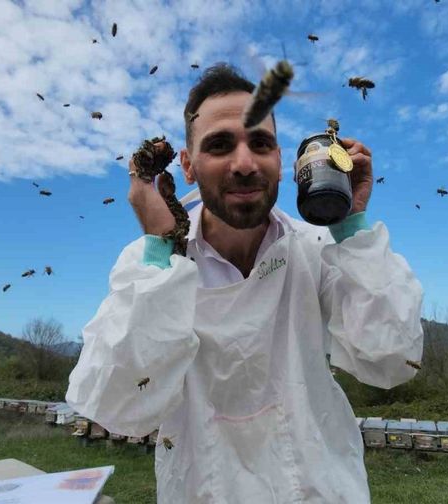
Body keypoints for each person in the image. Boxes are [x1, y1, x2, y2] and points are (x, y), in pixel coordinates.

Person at [66, 63, 423, 503]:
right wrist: (160, 248)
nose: (244, 164)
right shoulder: (153, 263)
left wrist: (351, 226)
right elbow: (117, 405)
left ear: (281, 159)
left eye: (260, 143)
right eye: (219, 145)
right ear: (187, 166)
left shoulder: (316, 247)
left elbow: (392, 358)